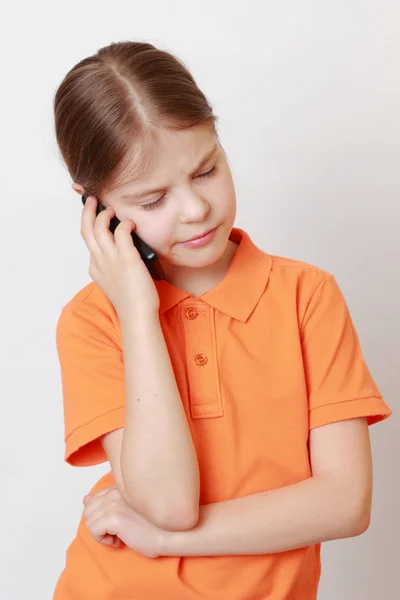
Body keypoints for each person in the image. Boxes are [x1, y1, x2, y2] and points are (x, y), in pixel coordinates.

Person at [52, 40, 391, 600]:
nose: (194, 210)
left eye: (206, 170)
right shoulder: (93, 323)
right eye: (153, 199)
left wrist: (165, 541)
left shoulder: (307, 296)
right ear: (95, 207)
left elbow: (346, 503)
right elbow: (168, 503)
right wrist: (139, 309)